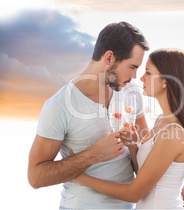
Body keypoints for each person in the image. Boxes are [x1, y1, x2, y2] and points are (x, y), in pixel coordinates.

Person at [27, 21, 150, 209]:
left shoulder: (131, 90)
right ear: (109, 58)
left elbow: (148, 153)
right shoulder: (60, 105)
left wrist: (177, 186)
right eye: (132, 67)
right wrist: (93, 155)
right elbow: (35, 177)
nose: (135, 76)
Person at [74, 48, 184, 209]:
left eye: (148, 73)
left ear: (166, 80)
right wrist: (132, 145)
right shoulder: (162, 120)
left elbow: (135, 193)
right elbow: (145, 176)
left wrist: (79, 177)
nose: (141, 78)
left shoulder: (174, 133)